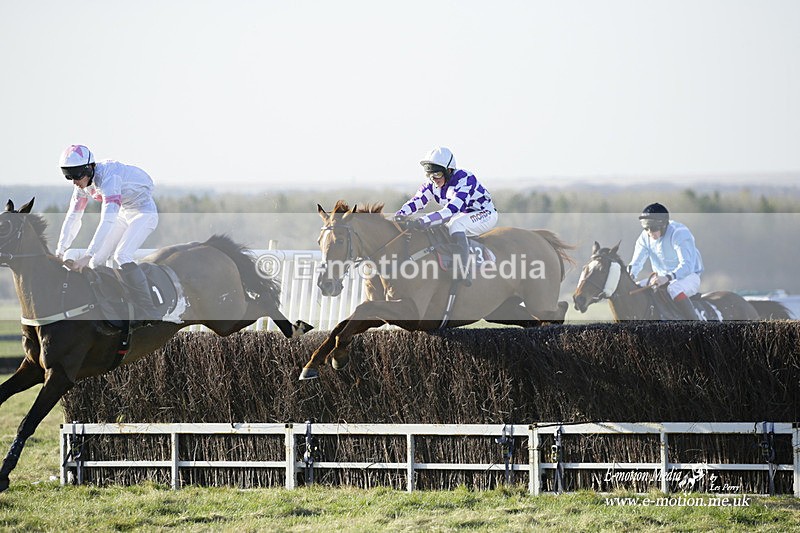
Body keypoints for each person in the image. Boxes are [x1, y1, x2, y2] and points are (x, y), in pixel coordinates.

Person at [55, 144, 160, 320]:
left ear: (89, 168)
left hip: (144, 213)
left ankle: (149, 309)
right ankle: (112, 304)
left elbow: (107, 221)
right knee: (97, 262)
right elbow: (72, 218)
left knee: (122, 255)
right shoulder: (81, 186)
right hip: (124, 214)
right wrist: (59, 251)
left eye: (76, 175)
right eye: (68, 176)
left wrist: (87, 254)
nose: (74, 181)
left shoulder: (110, 179)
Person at [395, 146, 497, 286]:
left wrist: (422, 221)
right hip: (463, 215)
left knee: (456, 224)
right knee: (442, 227)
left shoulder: (465, 179)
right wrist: (400, 215)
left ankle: (463, 269)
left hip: (484, 213)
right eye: (429, 175)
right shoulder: (431, 184)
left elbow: (451, 211)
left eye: (437, 174)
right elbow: (417, 201)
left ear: (448, 171)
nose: (433, 179)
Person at [628, 202, 704, 320]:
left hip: (689, 276)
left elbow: (687, 266)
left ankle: (696, 326)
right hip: (660, 279)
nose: (649, 233)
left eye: (653, 228)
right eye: (646, 228)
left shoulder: (679, 233)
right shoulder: (644, 238)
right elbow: (636, 263)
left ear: (663, 225)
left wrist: (667, 277)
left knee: (673, 288)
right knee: (636, 289)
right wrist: (630, 276)